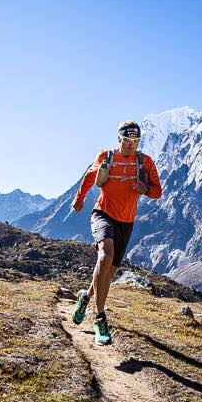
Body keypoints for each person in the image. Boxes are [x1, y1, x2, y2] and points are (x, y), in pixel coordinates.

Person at [71, 120, 162, 345]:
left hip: (126, 221)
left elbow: (157, 191)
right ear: (119, 139)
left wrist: (146, 189)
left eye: (136, 141)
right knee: (105, 255)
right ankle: (100, 317)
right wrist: (79, 198)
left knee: (107, 272)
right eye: (127, 140)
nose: (131, 145)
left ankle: (86, 297)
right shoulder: (106, 157)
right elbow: (89, 177)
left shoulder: (144, 162)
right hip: (103, 213)